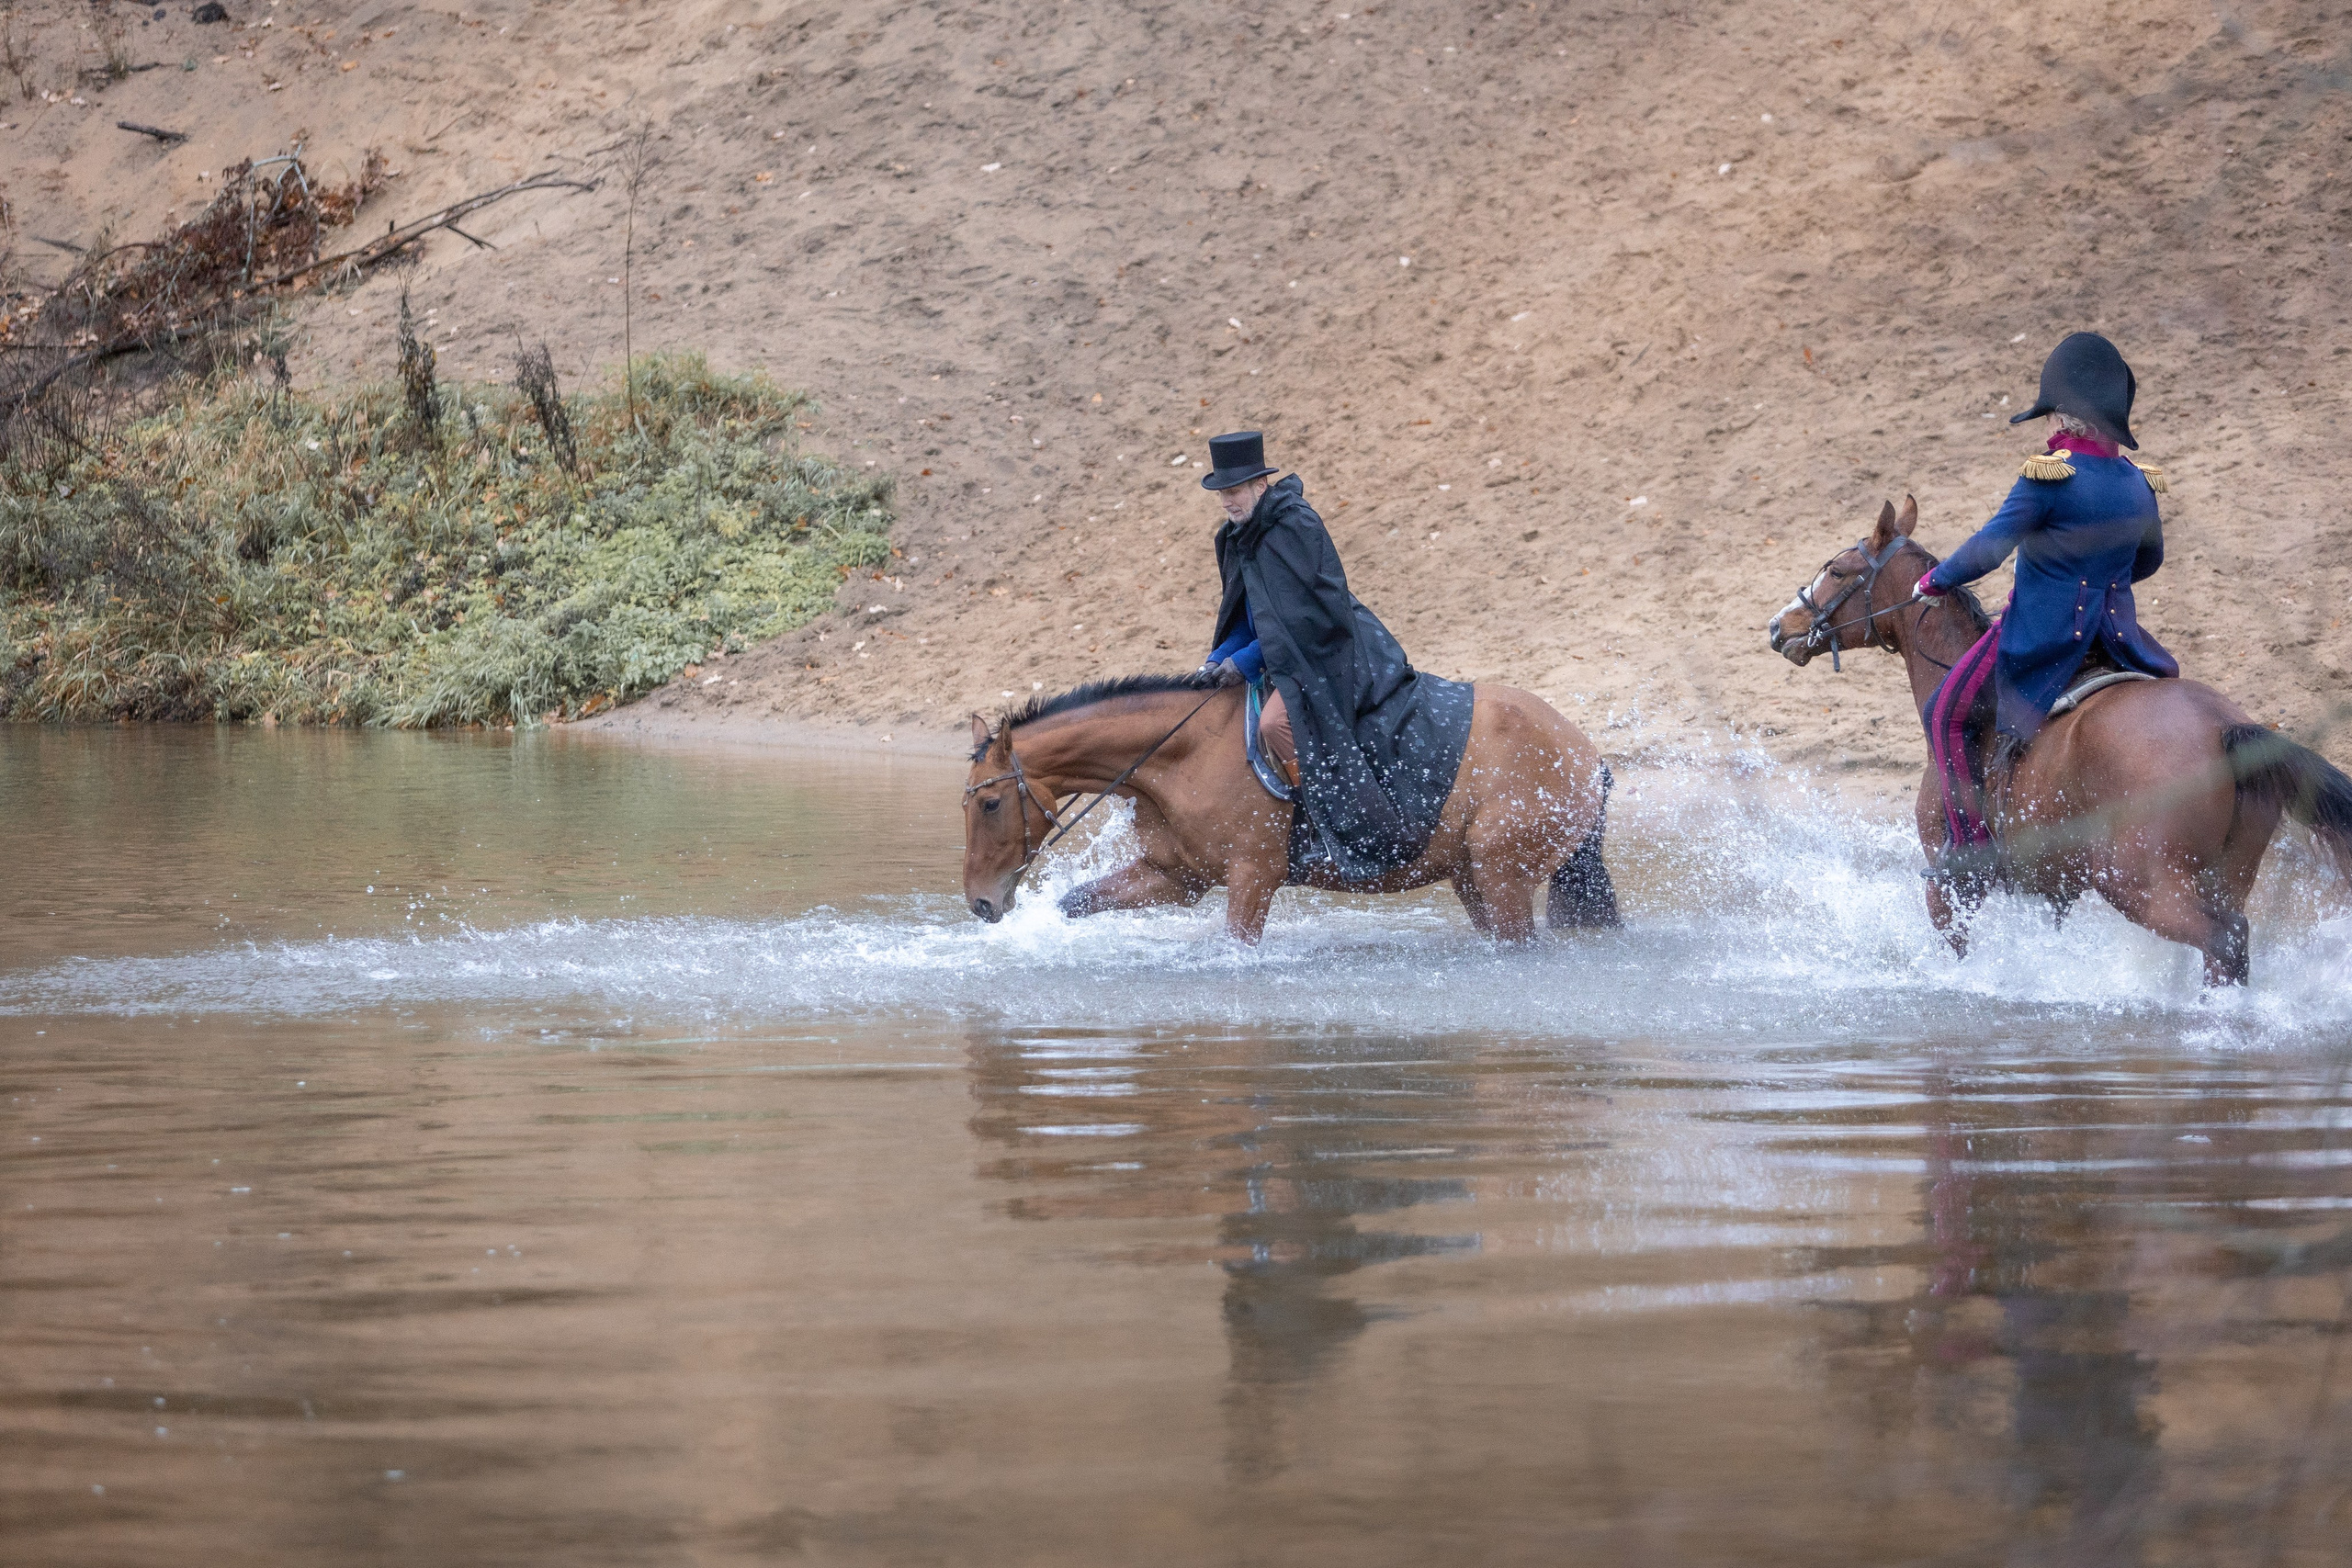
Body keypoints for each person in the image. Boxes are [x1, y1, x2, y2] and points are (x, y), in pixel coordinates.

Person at [1912, 333, 2179, 881]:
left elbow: (1991, 544)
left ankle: (1970, 848)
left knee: (1946, 713)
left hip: (2044, 636)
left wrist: (1936, 581)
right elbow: (2148, 561)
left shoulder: (2049, 477)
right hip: (2117, 637)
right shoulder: (2138, 484)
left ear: (2065, 416)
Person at [1194, 431, 1474, 881]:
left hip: (1329, 650)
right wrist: (1218, 658)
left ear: (1260, 486)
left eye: (1233, 491)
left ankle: (1322, 823)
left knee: (1274, 723)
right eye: (1221, 494)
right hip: (1282, 653)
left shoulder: (1296, 526)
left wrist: (1244, 662)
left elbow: (1310, 620)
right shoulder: (1237, 536)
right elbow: (1252, 615)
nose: (1227, 502)